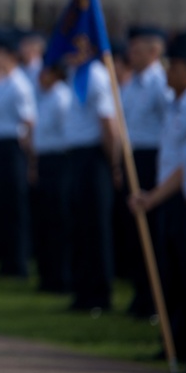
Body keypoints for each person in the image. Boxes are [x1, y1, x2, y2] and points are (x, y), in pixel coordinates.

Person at [129, 30, 186, 373]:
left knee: (185, 275)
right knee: (173, 275)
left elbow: (185, 166)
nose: (167, 73)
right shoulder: (175, 102)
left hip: (180, 198)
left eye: (175, 66)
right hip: (171, 198)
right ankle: (175, 343)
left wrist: (153, 197)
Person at [119, 25, 171, 318]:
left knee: (153, 233)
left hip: (154, 160)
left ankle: (155, 300)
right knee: (134, 233)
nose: (131, 55)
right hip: (133, 157)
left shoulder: (160, 84)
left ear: (154, 51)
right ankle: (141, 295)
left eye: (137, 50)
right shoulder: (130, 84)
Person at [63, 55, 118, 313]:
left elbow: (107, 121)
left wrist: (115, 163)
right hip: (77, 155)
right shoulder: (77, 73)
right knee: (80, 226)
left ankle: (98, 294)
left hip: (94, 157)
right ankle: (83, 292)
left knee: (96, 227)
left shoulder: (95, 74)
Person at [0, 31, 36, 278]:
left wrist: (28, 158)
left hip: (13, 147)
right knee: (1, 206)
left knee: (15, 208)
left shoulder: (19, 84)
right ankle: (6, 261)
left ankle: (18, 262)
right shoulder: (0, 82)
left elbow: (28, 123)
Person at [31, 62, 73, 293]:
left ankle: (61, 277)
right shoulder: (47, 97)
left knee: (58, 222)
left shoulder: (61, 97)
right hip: (46, 162)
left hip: (59, 162)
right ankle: (49, 276)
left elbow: (66, 135)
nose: (41, 76)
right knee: (45, 222)